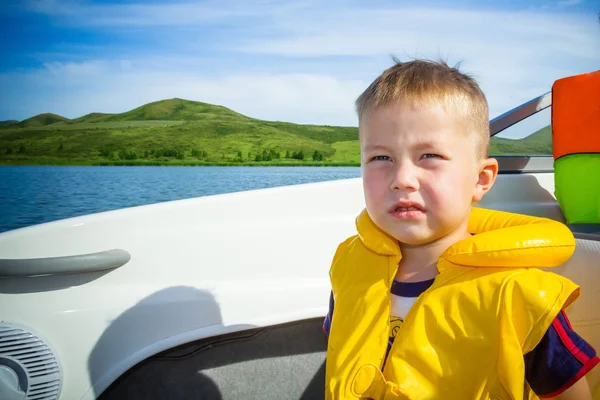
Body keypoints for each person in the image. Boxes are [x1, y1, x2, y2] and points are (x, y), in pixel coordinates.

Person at [323, 59, 599, 399]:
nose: (402, 180)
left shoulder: (520, 297)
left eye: (429, 156)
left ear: (481, 179)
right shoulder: (349, 264)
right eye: (381, 158)